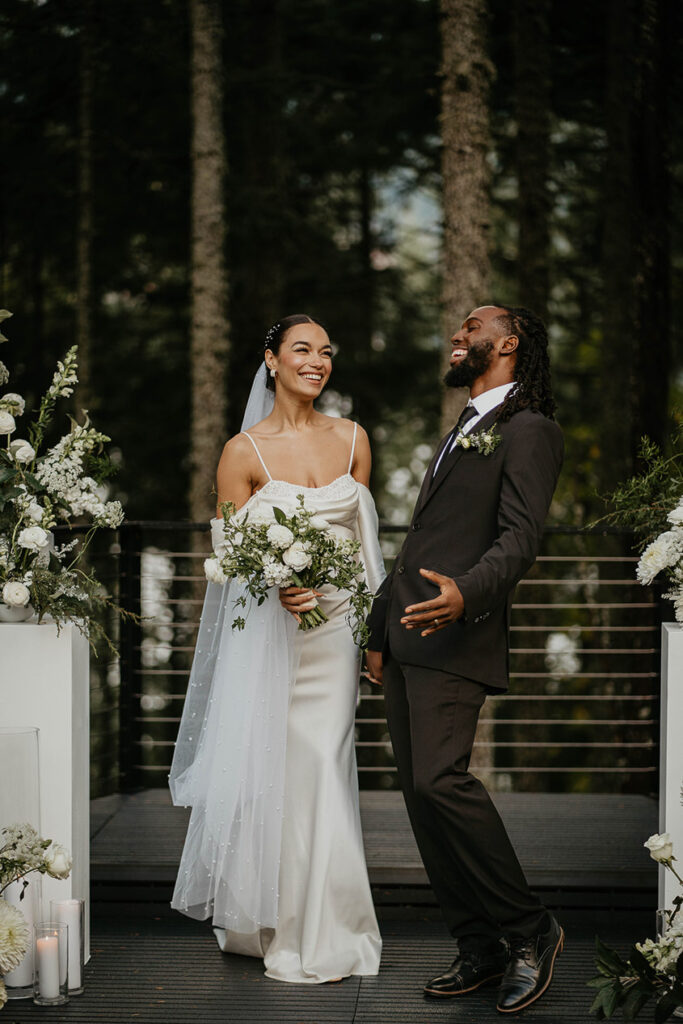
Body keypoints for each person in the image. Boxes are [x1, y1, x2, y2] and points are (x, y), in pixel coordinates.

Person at [169, 314, 383, 984]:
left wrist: (377, 634)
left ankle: (332, 928)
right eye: (301, 349)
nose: (317, 361)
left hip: (337, 633)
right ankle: (275, 920)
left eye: (326, 350)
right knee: (276, 773)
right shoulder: (242, 453)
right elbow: (229, 558)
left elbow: (367, 547)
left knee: (323, 763)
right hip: (272, 639)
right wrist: (280, 579)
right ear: (271, 360)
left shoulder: (354, 440)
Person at [365, 305, 564, 1015]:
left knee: (444, 782)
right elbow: (421, 540)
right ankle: (476, 943)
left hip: (457, 632)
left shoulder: (529, 430)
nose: (457, 335)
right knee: (421, 795)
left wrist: (466, 596)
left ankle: (528, 930)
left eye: (471, 326)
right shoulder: (463, 430)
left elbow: (518, 539)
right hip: (406, 633)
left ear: (506, 344)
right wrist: (376, 629)